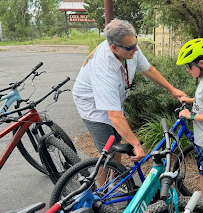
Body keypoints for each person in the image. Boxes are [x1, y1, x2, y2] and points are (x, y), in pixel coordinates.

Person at [72, 19, 187, 164]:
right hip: (91, 104)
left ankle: (115, 178)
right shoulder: (104, 69)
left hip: (111, 98)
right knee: (107, 156)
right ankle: (103, 186)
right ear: (114, 48)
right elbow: (114, 115)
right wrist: (136, 144)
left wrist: (172, 89)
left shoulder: (128, 47)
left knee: (116, 146)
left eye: (135, 43)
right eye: (130, 47)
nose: (136, 49)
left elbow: (148, 69)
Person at [176, 38, 203, 213]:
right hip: (201, 139)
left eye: (189, 66)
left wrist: (190, 114)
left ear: (201, 63)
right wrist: (191, 100)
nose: (188, 70)